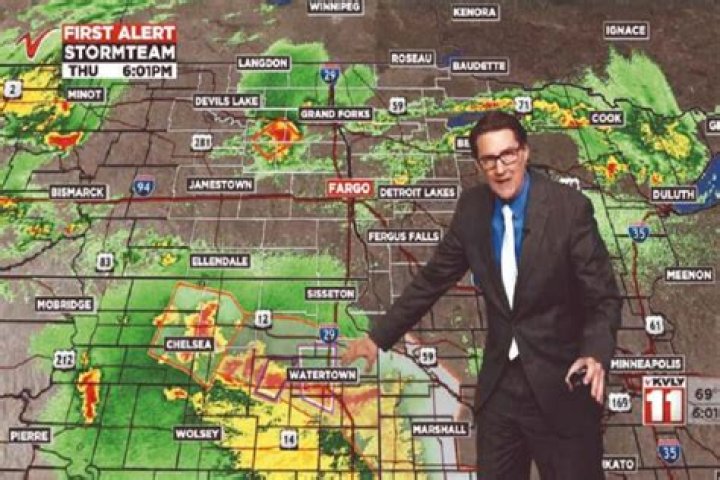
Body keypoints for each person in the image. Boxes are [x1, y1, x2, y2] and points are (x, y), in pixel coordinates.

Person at [341, 110, 621, 479]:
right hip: (501, 389)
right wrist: (378, 338)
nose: (500, 168)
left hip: (562, 385)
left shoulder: (569, 209)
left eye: (508, 155)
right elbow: (432, 280)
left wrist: (595, 352)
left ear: (524, 152)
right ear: (478, 165)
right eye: (489, 160)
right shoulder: (472, 209)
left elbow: (603, 298)